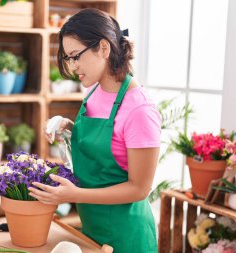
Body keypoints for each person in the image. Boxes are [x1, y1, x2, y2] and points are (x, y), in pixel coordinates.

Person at [28, 8, 161, 253]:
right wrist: (67, 126)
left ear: (103, 48)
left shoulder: (140, 111)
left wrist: (74, 194)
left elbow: (139, 188)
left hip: (127, 237)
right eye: (69, 58)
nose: (73, 66)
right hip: (92, 231)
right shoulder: (95, 92)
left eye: (75, 56)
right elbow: (107, 143)